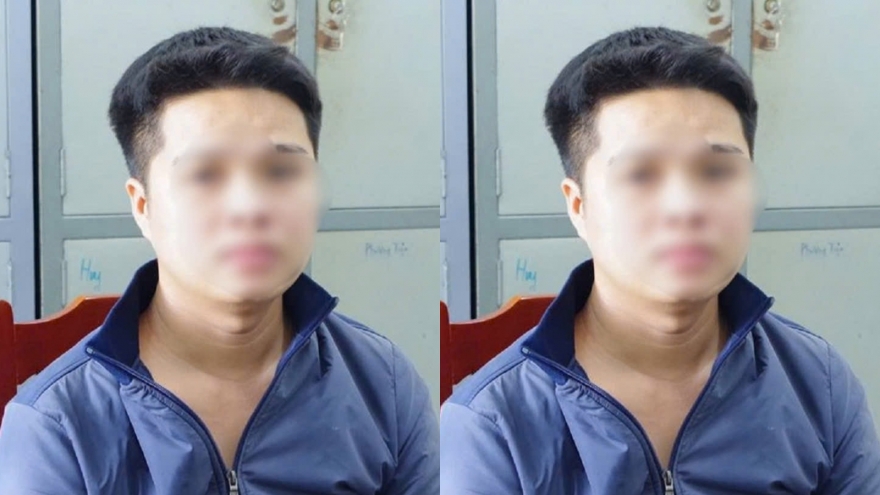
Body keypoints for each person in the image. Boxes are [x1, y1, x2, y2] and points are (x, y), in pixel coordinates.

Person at [440, 26, 880, 494]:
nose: (685, 207)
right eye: (641, 175)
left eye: (717, 170)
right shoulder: (491, 426)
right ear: (579, 206)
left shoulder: (817, 384)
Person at [0, 27, 438, 494]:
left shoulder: (383, 385)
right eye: (205, 175)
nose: (250, 207)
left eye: (281, 170)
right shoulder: (57, 427)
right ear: (143, 206)